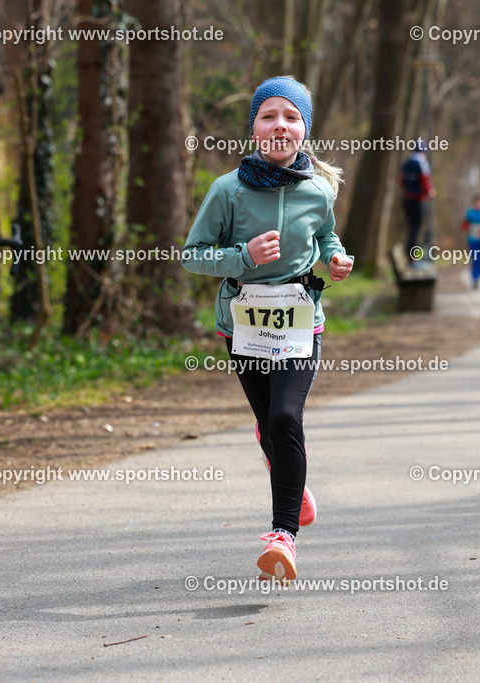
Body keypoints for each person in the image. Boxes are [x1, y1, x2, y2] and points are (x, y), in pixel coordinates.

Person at [181, 76, 353, 582]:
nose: (281, 125)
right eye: (269, 116)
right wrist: (243, 256)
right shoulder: (226, 191)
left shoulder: (319, 189)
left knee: (285, 416)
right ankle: (291, 485)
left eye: (292, 117)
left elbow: (326, 235)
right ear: (254, 127)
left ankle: (283, 536)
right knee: (269, 424)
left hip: (302, 322)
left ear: (304, 130)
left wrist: (336, 258)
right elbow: (193, 256)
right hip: (243, 326)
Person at [399, 146, 436, 262]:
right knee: (416, 228)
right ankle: (412, 256)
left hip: (406, 198)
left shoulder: (407, 162)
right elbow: (425, 181)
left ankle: (409, 254)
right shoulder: (422, 163)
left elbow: (402, 181)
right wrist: (430, 192)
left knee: (411, 228)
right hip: (418, 200)